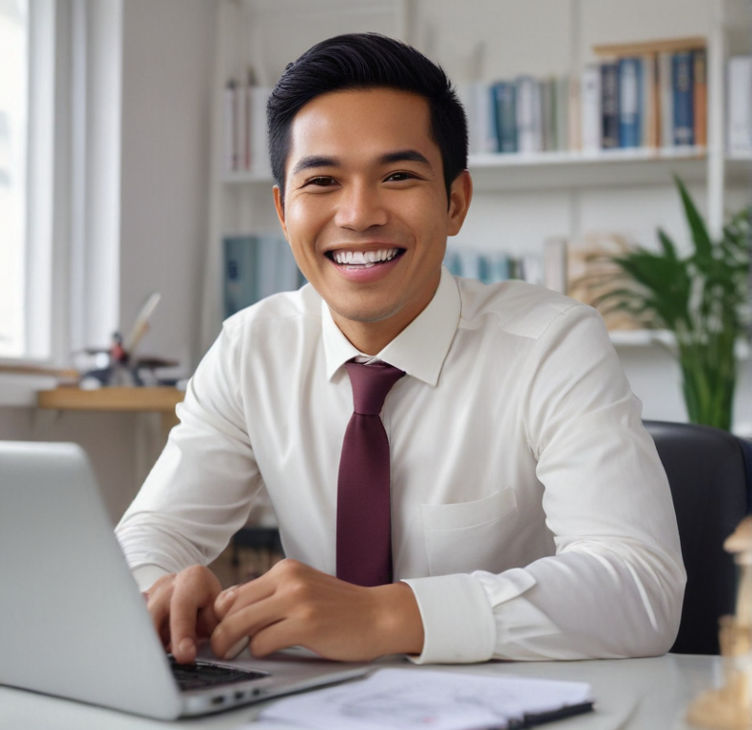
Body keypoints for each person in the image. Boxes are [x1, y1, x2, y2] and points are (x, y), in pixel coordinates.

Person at [115, 32, 685, 667]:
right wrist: (157, 594)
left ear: (455, 202)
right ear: (283, 211)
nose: (359, 214)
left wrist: (388, 615)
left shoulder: (552, 345)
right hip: (313, 705)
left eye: (398, 176)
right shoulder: (252, 346)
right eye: (323, 180)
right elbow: (153, 533)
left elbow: (641, 587)